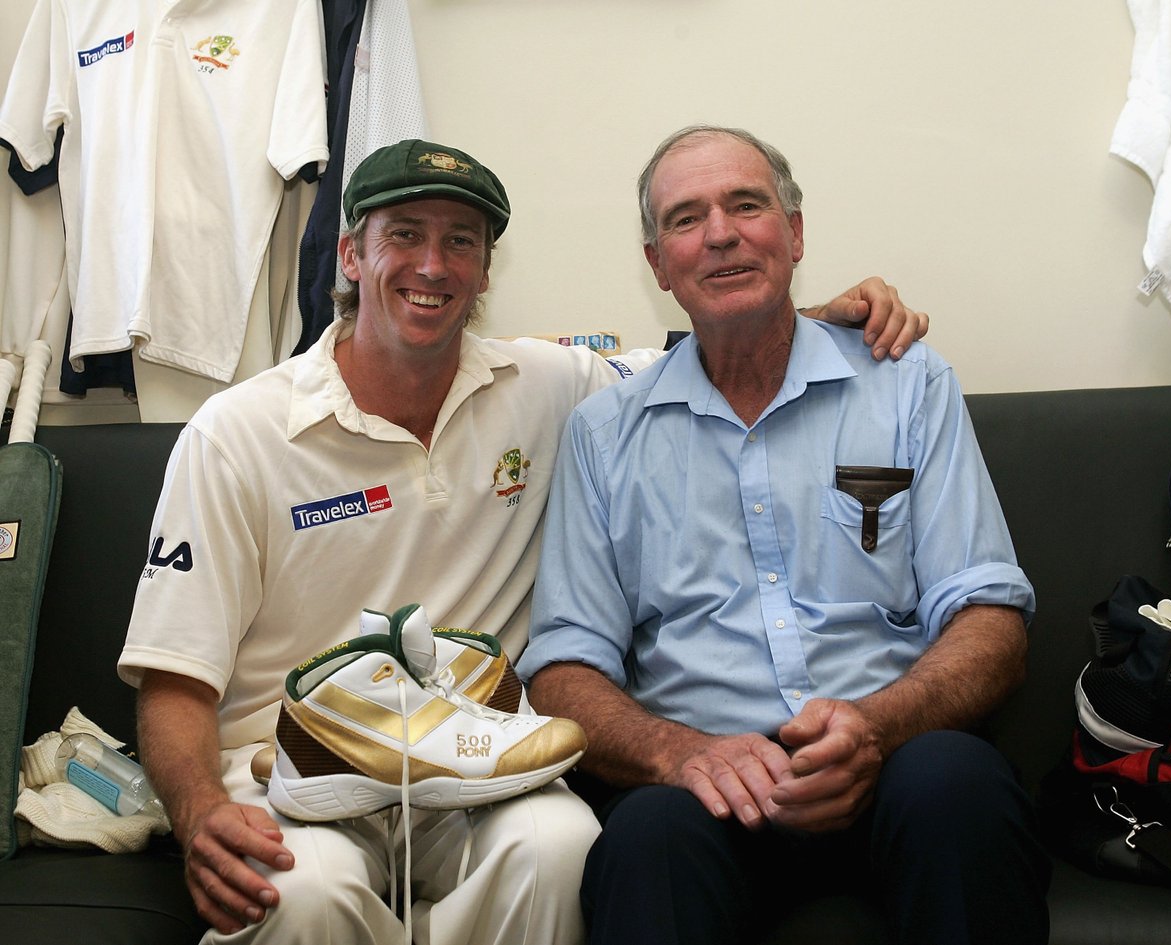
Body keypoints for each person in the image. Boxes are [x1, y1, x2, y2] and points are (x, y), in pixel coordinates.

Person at [117, 135, 929, 945]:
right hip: (297, 771)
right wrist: (199, 815)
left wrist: (822, 321)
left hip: (483, 763)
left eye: (460, 242)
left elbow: (713, 348)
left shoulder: (548, 385)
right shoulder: (237, 432)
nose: (433, 265)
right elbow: (174, 677)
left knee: (563, 846)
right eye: (404, 233)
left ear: (483, 271)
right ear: (352, 254)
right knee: (302, 894)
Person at [519, 124, 1051, 945]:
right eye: (687, 219)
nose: (723, 232)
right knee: (646, 838)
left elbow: (990, 616)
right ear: (658, 264)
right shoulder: (604, 431)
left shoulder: (907, 385)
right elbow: (562, 669)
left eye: (747, 204)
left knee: (957, 783)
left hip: (897, 761)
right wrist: (677, 752)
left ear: (795, 233)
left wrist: (876, 726)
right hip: (706, 792)